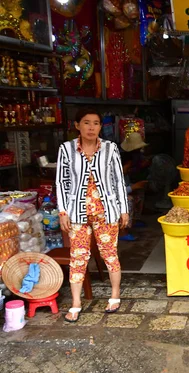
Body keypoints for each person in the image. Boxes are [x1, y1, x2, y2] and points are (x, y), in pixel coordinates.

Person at [57, 107, 129, 323]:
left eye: (96, 123)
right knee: (78, 258)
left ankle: (115, 295)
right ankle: (76, 303)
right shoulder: (66, 149)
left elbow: (118, 180)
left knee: (110, 254)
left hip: (106, 211)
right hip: (77, 213)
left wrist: (124, 209)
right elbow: (62, 182)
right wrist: (62, 211)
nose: (91, 127)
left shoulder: (110, 148)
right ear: (77, 125)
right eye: (86, 123)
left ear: (100, 126)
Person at [119, 132, 150, 241]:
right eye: (128, 167)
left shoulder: (126, 171)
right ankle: (123, 231)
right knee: (129, 200)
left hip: (123, 190)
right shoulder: (114, 172)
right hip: (113, 198)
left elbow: (126, 184)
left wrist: (135, 187)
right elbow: (116, 192)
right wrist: (133, 187)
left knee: (139, 192)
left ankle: (135, 220)